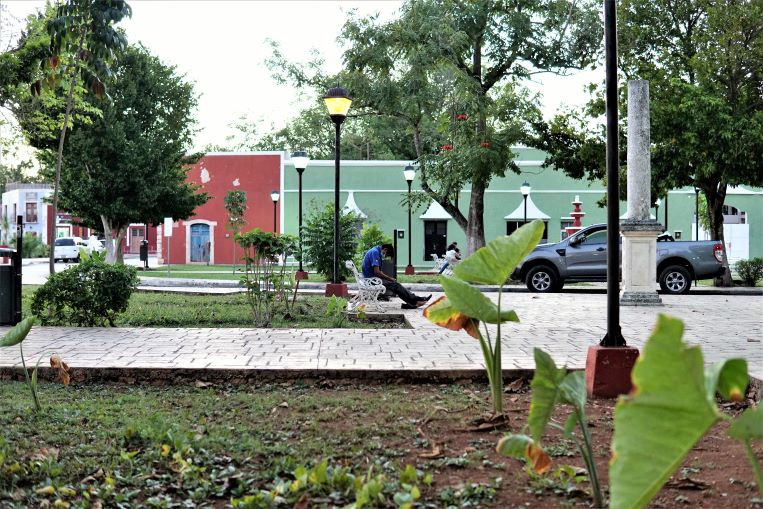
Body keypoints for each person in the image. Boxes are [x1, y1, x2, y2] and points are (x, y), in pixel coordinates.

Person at [361, 243, 431, 309]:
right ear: (385, 249)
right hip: (372, 280)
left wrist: (388, 279)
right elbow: (377, 272)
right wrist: (389, 278)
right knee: (395, 285)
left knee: (395, 285)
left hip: (372, 279)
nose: (385, 255)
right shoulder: (375, 252)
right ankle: (416, 300)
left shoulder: (375, 251)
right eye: (386, 254)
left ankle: (414, 301)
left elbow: (377, 271)